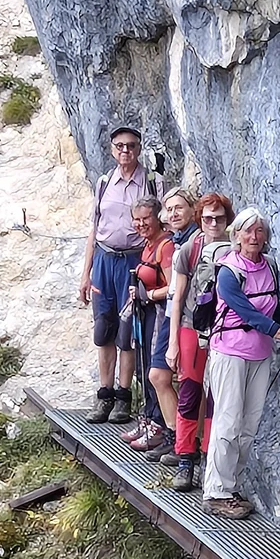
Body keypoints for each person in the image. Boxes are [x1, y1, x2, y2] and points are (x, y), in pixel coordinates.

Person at [203, 208, 280, 519]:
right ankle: (216, 491)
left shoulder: (269, 266)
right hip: (229, 351)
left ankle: (231, 487)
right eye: (247, 231)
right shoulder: (228, 272)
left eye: (259, 231)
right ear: (236, 236)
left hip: (260, 352)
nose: (253, 237)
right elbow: (249, 315)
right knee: (227, 422)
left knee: (249, 424)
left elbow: (275, 307)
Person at [78, 125, 159, 421]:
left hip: (133, 261)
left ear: (139, 149)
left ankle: (123, 397)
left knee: (127, 329)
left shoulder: (151, 183)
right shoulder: (104, 182)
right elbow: (94, 229)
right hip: (104, 259)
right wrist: (86, 274)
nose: (126, 151)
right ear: (112, 150)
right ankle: (105, 395)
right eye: (120, 146)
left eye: (131, 145)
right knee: (103, 328)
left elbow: (160, 227)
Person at [167, 191, 234, 492]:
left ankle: (208, 457)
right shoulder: (189, 251)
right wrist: (172, 343)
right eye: (208, 218)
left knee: (217, 396)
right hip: (191, 328)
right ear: (200, 219)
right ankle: (185, 458)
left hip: (224, 330)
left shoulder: (236, 249)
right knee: (190, 393)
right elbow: (177, 298)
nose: (214, 224)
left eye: (219, 218)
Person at [132, 185, 195, 455]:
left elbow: (173, 288)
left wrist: (148, 294)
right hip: (169, 313)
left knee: (162, 376)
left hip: (175, 316)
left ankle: (178, 440)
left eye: (179, 208)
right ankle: (175, 438)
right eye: (170, 209)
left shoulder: (176, 244)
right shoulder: (177, 240)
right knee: (158, 375)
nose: (174, 214)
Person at [120, 191, 176, 454]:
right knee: (144, 368)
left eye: (146, 219)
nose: (141, 224)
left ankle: (159, 426)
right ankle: (148, 419)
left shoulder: (166, 246)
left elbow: (172, 287)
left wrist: (149, 295)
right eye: (137, 219)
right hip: (147, 311)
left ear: (157, 218)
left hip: (160, 313)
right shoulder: (149, 244)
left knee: (154, 367)